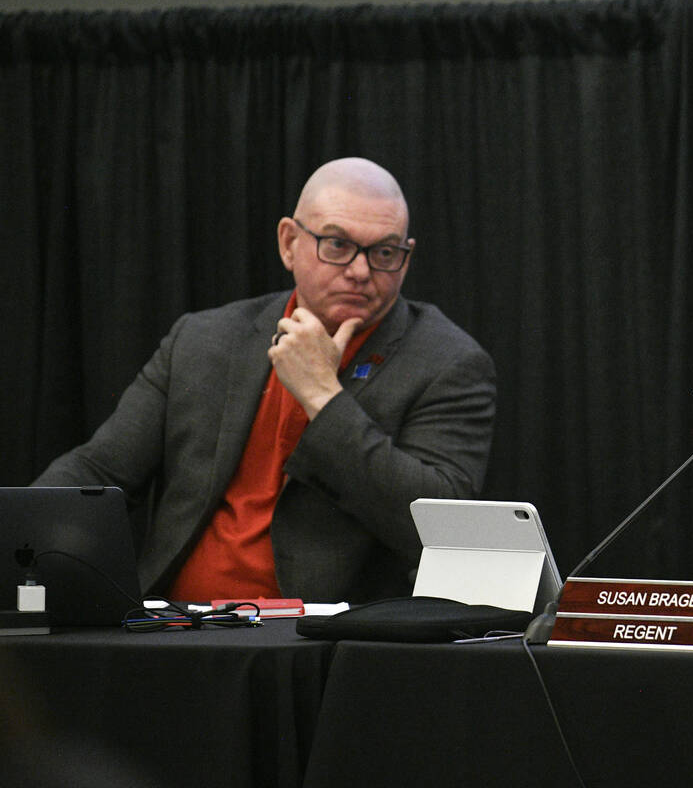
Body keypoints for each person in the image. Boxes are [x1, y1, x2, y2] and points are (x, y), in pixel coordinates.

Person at [34, 157, 497, 603]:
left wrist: (323, 396)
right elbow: (100, 471)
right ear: (289, 242)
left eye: (385, 253)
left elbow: (439, 529)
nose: (360, 271)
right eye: (337, 245)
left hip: (321, 636)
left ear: (406, 258)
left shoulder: (447, 363)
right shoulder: (203, 339)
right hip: (173, 623)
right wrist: (23, 524)